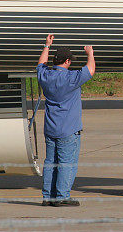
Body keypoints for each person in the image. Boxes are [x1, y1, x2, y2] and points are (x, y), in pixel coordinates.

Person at [36, 34, 96, 207]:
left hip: (51, 128)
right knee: (66, 163)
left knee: (50, 163)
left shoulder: (45, 76)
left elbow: (40, 64)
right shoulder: (71, 78)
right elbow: (90, 70)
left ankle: (48, 196)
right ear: (68, 61)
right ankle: (62, 196)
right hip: (68, 129)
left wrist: (47, 46)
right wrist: (90, 53)